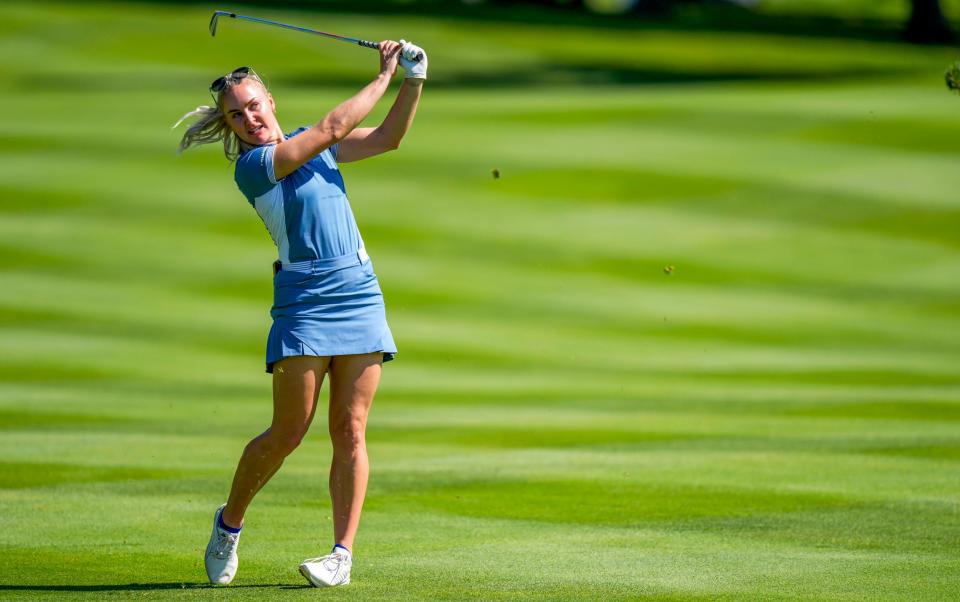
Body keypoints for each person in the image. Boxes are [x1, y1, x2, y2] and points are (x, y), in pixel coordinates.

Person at [174, 39, 426, 587]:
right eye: (235, 114)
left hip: (359, 293)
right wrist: (383, 76)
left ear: (271, 100)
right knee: (288, 431)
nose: (249, 118)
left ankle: (341, 554)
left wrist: (414, 80)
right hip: (305, 305)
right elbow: (334, 129)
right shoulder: (257, 166)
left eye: (254, 105)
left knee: (351, 430)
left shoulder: (314, 146)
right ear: (230, 124)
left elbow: (388, 138)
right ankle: (229, 523)